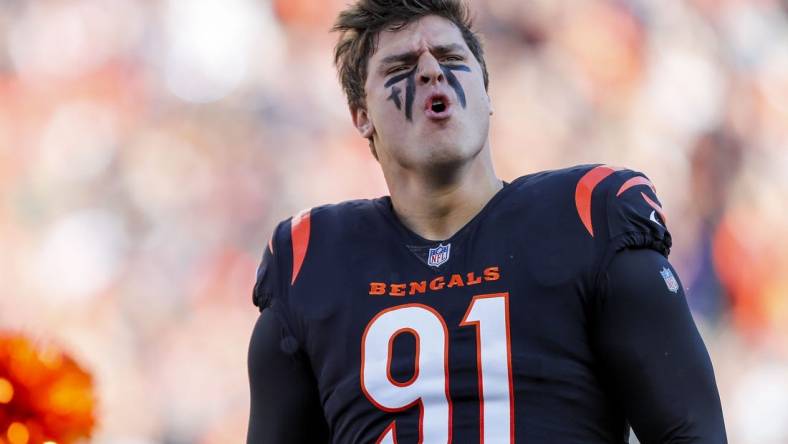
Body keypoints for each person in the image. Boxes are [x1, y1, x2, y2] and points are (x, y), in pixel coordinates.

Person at [247, 0, 727, 442]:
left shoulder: (586, 216)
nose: (432, 72)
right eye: (400, 67)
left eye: (452, 59)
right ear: (361, 116)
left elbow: (690, 433)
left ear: (486, 92)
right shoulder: (311, 259)